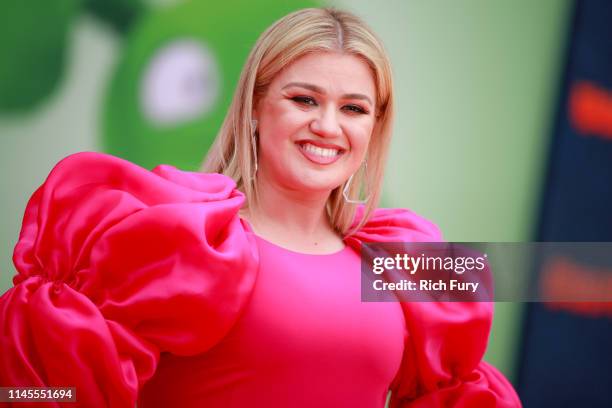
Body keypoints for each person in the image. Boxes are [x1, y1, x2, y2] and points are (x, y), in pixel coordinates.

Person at [0, 7, 521, 408]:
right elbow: (32, 393)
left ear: (375, 125)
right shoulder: (179, 237)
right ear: (254, 106)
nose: (328, 126)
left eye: (354, 108)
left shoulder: (403, 261)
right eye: (304, 100)